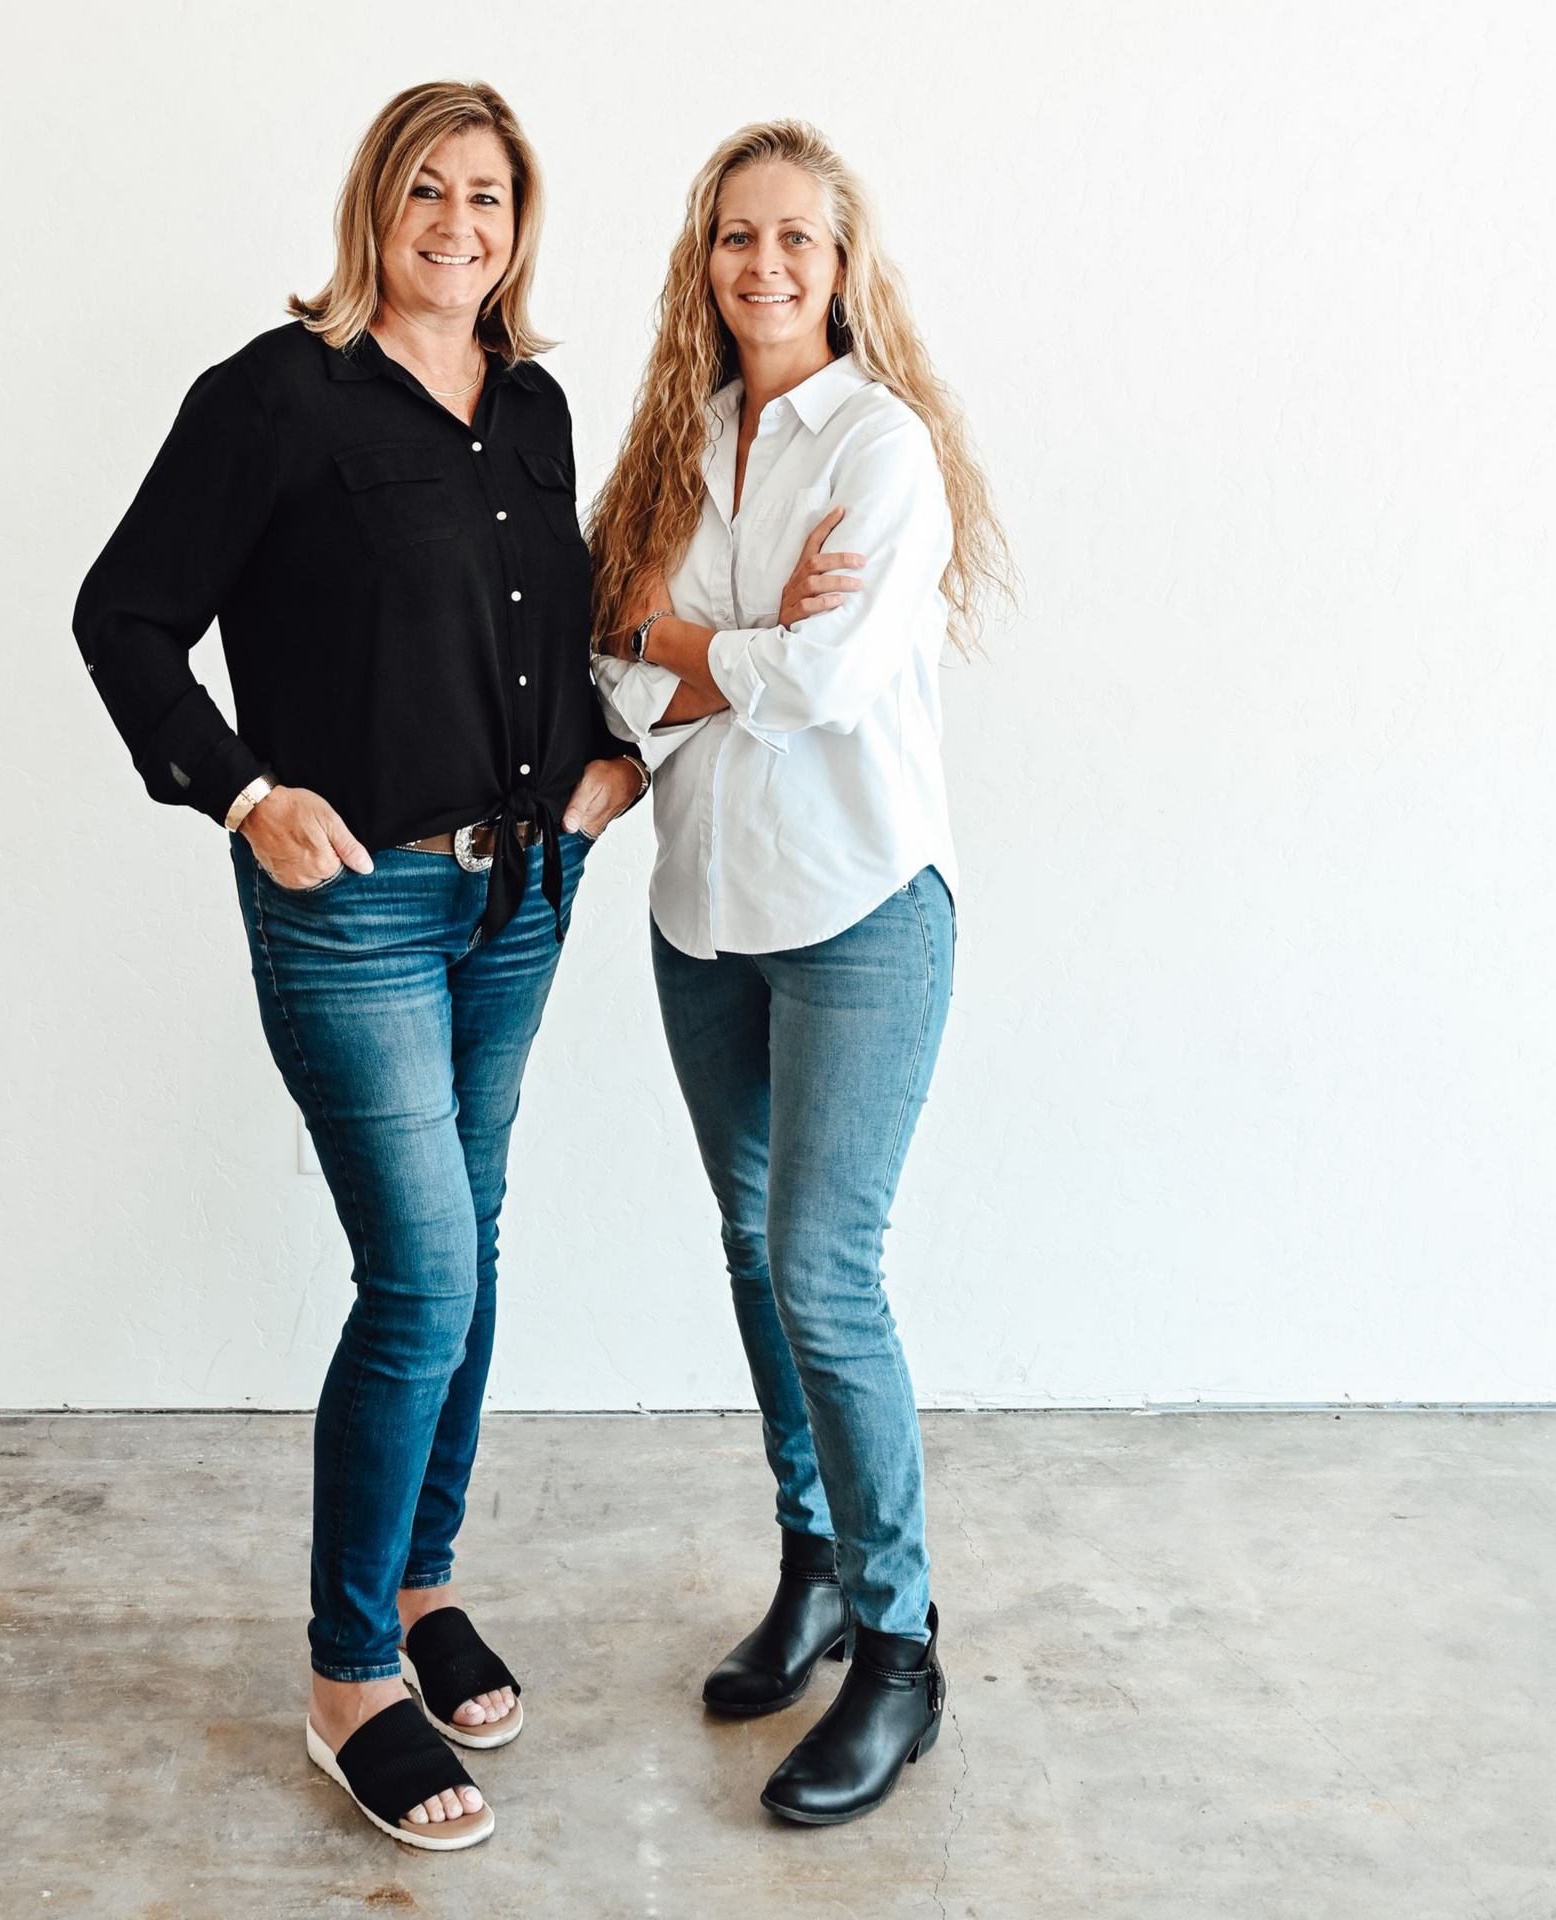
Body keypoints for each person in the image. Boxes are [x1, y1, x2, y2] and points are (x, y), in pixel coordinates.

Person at [72, 80, 646, 1852]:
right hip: (356, 911)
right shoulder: (276, 395)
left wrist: (606, 764)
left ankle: (417, 1587)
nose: (456, 222)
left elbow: (552, 627)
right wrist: (242, 792)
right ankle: (343, 1678)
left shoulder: (535, 406)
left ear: (519, 220)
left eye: (487, 193)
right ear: (373, 208)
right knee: (421, 1275)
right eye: (426, 189)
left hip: (520, 900)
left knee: (471, 1249)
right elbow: (125, 614)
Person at [588, 119, 1011, 1827]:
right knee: (757, 1259)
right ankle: (816, 1565)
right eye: (735, 239)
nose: (764, 268)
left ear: (844, 267)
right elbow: (614, 678)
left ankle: (902, 1654)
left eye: (797, 242)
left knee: (823, 1270)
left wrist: (689, 643)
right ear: (705, 260)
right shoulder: (684, 441)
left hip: (859, 912)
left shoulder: (882, 447)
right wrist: (696, 654)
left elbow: (827, 680)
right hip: (703, 916)